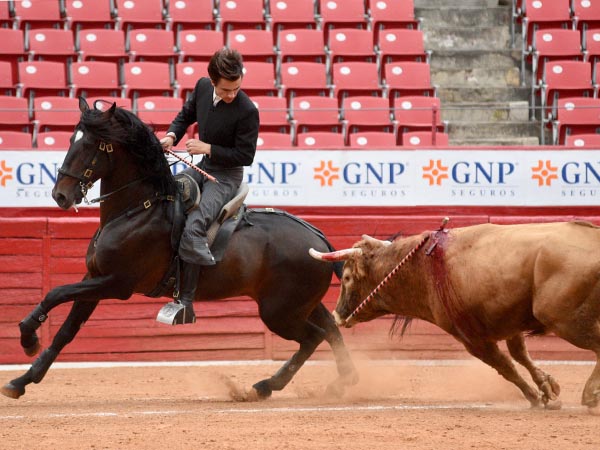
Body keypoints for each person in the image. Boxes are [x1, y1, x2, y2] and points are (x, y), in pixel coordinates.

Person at [158, 48, 259, 325]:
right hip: (202, 168)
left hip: (226, 177)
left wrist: (208, 148)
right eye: (227, 89)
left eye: (237, 88)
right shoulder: (203, 87)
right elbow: (186, 114)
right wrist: (171, 136)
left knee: (194, 225)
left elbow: (245, 156)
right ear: (212, 81)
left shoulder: (247, 110)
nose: (232, 94)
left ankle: (186, 303)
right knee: (169, 204)